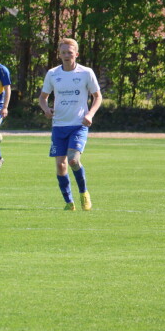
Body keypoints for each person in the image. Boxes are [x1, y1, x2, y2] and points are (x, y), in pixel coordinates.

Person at [39, 38, 102, 211]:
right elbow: (42, 98)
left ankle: (84, 193)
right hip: (59, 126)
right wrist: (46, 109)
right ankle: (69, 202)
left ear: (76, 54)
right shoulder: (52, 74)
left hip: (79, 124)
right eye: (63, 52)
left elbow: (98, 97)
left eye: (70, 52)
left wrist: (90, 114)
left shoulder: (86, 73)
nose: (67, 55)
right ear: (59, 54)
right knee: (60, 165)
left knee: (73, 160)